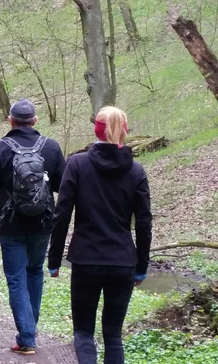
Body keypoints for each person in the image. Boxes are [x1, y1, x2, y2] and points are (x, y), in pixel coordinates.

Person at [48, 106, 152, 364]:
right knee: (114, 336)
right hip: (122, 262)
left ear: (96, 130)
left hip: (86, 260)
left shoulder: (77, 164)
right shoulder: (137, 171)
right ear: (124, 131)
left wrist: (53, 260)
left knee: (83, 332)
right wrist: (141, 266)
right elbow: (144, 222)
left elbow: (62, 214)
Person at [0, 98, 66, 355]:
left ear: (10, 121)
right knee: (35, 271)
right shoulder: (51, 147)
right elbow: (64, 186)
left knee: (16, 278)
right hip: (44, 223)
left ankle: (27, 337)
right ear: (35, 120)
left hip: (12, 225)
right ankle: (29, 330)